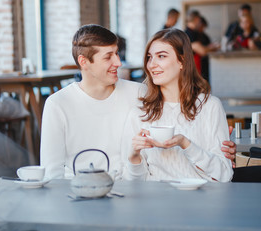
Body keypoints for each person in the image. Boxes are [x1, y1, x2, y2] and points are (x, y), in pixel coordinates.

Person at [40, 24, 237, 180]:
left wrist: (217, 146)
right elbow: (51, 173)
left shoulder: (140, 95)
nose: (118, 62)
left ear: (182, 61)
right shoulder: (58, 104)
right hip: (84, 196)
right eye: (109, 56)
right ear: (84, 62)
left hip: (127, 196)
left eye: (117, 53)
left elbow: (219, 166)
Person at [122, 28, 233, 182]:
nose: (152, 64)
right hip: (156, 203)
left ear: (182, 61)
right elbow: (133, 184)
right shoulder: (140, 113)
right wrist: (134, 156)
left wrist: (185, 143)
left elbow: (224, 175)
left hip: (204, 202)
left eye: (161, 56)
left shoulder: (210, 106)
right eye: (149, 57)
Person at [185, 10, 219, 75]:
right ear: (196, 19)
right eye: (199, 20)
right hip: (192, 71)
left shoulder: (195, 32)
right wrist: (213, 48)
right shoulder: (188, 34)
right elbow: (202, 51)